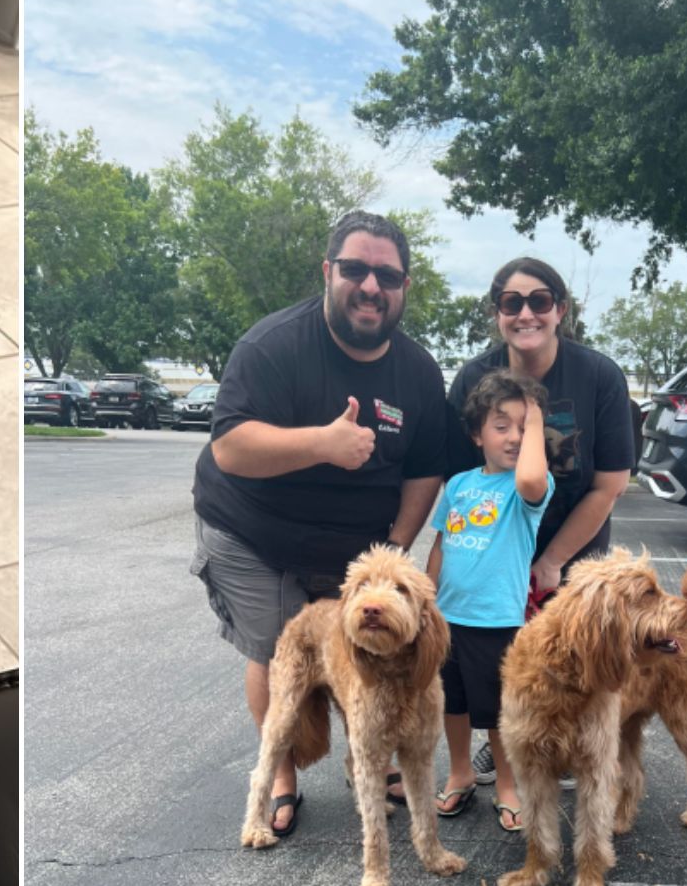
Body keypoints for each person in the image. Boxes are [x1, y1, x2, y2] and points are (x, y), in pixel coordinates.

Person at [191, 211, 450, 838]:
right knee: (277, 646)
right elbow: (231, 447)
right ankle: (282, 773)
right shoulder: (272, 346)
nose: (370, 287)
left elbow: (423, 472)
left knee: (367, 646)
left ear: (404, 287)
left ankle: (372, 751)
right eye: (356, 270)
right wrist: (322, 444)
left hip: (351, 546)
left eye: (386, 275)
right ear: (328, 272)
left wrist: (393, 552)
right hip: (254, 532)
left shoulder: (417, 371)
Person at [444, 257, 636, 790]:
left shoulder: (599, 376)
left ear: (560, 310)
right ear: (497, 313)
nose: (525, 313)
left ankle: (579, 749)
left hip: (574, 549)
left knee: (574, 661)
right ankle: (502, 746)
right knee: (499, 660)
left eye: (539, 301)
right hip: (496, 551)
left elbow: (609, 484)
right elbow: (463, 479)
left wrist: (553, 560)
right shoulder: (473, 378)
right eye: (512, 303)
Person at [426, 371, 553, 831]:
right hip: (447, 618)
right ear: (477, 434)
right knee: (452, 703)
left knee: (499, 711)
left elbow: (534, 475)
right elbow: (441, 542)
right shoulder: (458, 484)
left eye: (525, 427)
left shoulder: (527, 491)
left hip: (497, 622)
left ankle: (506, 783)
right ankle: (460, 770)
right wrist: (427, 594)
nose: (516, 437)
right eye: (502, 426)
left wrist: (536, 418)